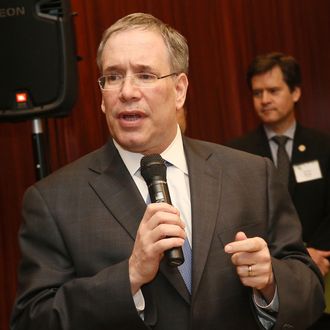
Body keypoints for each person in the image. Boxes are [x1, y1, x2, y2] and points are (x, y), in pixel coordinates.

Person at [11, 14, 324, 330]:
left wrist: (271, 282)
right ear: (103, 97)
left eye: (145, 75)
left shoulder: (252, 175)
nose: (127, 91)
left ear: (179, 90)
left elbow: (309, 290)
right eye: (113, 76)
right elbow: (33, 319)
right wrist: (130, 276)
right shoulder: (53, 200)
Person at [227, 52, 330, 329]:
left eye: (273, 90)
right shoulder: (237, 153)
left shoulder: (323, 146)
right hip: (263, 278)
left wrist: (312, 252)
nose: (264, 100)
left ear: (295, 92)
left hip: (323, 270)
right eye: (257, 92)